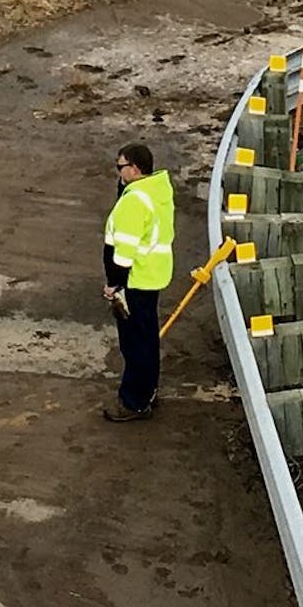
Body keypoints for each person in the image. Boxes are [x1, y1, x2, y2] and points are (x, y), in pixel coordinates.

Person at [102, 143, 175, 422]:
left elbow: (123, 253)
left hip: (134, 281)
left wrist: (114, 285)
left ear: (134, 168)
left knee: (135, 345)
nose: (118, 172)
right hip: (151, 276)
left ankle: (134, 401)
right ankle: (148, 391)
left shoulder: (134, 202)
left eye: (120, 167)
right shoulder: (155, 191)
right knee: (146, 339)